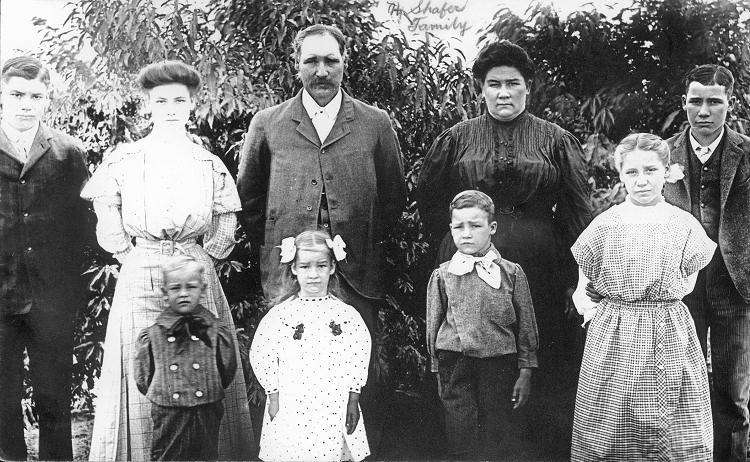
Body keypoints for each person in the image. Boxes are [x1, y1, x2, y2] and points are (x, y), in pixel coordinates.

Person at [415, 39, 592, 456]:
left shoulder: (555, 140)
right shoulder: (456, 139)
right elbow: (430, 202)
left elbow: (577, 212)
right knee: (465, 359)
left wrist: (576, 279)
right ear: (480, 88)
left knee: (535, 358)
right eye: (493, 84)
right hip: (466, 264)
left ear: (528, 87)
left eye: (513, 83)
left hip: (540, 264)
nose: (503, 93)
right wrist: (456, 246)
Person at [237, 23, 407, 453]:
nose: (322, 70)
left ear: (344, 63)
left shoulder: (374, 123)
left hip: (356, 277)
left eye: (331, 60)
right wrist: (284, 248)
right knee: (290, 383)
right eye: (311, 60)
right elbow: (250, 200)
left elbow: (393, 196)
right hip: (291, 275)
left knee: (354, 381)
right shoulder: (269, 124)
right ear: (297, 66)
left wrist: (360, 242)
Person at [81, 60, 253, 461]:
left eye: (179, 100)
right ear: (148, 106)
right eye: (161, 101)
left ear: (192, 104)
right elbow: (108, 218)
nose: (171, 108)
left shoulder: (206, 162)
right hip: (142, 273)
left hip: (196, 272)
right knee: (146, 368)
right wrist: (137, 257)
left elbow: (226, 223)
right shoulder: (126, 159)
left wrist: (199, 259)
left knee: (205, 363)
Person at [571, 133, 715, 460]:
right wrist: (606, 314)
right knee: (611, 427)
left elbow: (688, 284)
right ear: (620, 176)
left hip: (669, 330)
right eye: (632, 172)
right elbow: (584, 290)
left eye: (650, 171)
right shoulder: (604, 226)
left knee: (675, 426)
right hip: (614, 336)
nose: (642, 181)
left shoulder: (684, 225)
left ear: (666, 172)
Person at [0, 56, 89, 461]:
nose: (25, 104)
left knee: (54, 391)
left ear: (48, 98)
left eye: (36, 96)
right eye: (17, 94)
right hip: (0, 293)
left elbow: (82, 225)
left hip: (52, 295)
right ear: (2, 96)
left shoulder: (68, 152)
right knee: (2, 390)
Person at [663, 64, 750, 461]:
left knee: (734, 390)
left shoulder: (746, 152)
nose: (703, 111)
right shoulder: (662, 155)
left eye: (714, 102)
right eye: (695, 101)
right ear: (684, 103)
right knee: (684, 384)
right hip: (681, 286)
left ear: (728, 105)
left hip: (736, 284)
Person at [426, 190, 538, 460]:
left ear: (492, 228)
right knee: (460, 433)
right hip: (455, 362)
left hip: (498, 363)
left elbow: (526, 326)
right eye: (458, 226)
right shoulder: (442, 275)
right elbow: (433, 324)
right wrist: (436, 368)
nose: (466, 234)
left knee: (497, 432)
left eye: (475, 226)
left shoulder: (512, 272)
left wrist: (526, 370)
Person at [250, 229, 371, 462]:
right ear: (294, 268)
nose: (313, 274)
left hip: (332, 401)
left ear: (332, 267)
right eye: (305, 267)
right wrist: (273, 395)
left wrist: (353, 399)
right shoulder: (281, 315)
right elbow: (262, 353)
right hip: (293, 403)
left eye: (321, 266)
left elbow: (359, 355)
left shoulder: (346, 315)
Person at [134, 255, 238, 461]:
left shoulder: (217, 332)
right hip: (168, 412)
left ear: (203, 290)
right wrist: (166, 391)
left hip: (206, 409)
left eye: (190, 287)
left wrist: (208, 386)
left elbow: (226, 370)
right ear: (164, 293)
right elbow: (143, 378)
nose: (183, 294)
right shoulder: (153, 335)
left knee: (206, 456)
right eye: (175, 288)